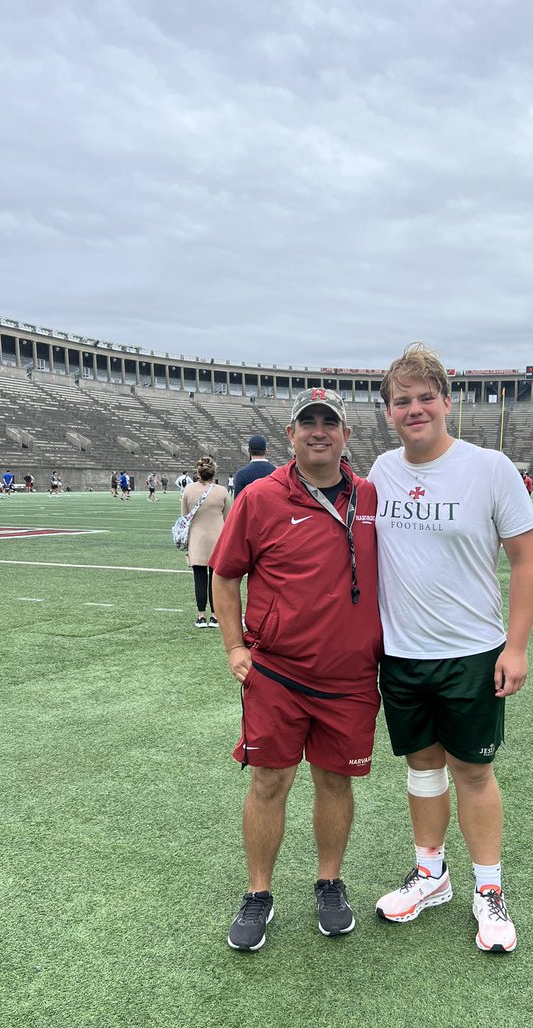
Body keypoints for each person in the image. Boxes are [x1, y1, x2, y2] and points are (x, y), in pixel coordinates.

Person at [368, 344, 533, 954]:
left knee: (472, 770)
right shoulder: (381, 472)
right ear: (388, 412)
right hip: (401, 654)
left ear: (447, 402)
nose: (414, 409)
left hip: (472, 651)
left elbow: (526, 560)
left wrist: (516, 647)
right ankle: (431, 874)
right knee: (422, 767)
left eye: (425, 398)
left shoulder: (489, 468)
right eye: (402, 401)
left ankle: (488, 888)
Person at [211, 388, 381, 952]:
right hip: (278, 673)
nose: (319, 431)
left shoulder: (371, 496)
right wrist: (234, 647)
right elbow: (225, 574)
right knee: (269, 782)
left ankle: (329, 882)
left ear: (346, 435)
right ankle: (258, 892)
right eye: (307, 422)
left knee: (335, 780)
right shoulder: (260, 497)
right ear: (290, 435)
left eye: (329, 422)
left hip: (350, 676)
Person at [181, 457, 231, 628]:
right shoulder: (222, 491)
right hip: (218, 540)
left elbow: (184, 517)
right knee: (215, 580)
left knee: (199, 578)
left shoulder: (188, 490)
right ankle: (215, 616)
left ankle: (201, 616)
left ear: (198, 472)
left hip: (197, 539)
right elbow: (228, 519)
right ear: (214, 473)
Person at [232, 434, 276, 499]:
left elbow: (238, 501)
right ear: (266, 450)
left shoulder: (241, 474)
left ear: (248, 450)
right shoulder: (276, 472)